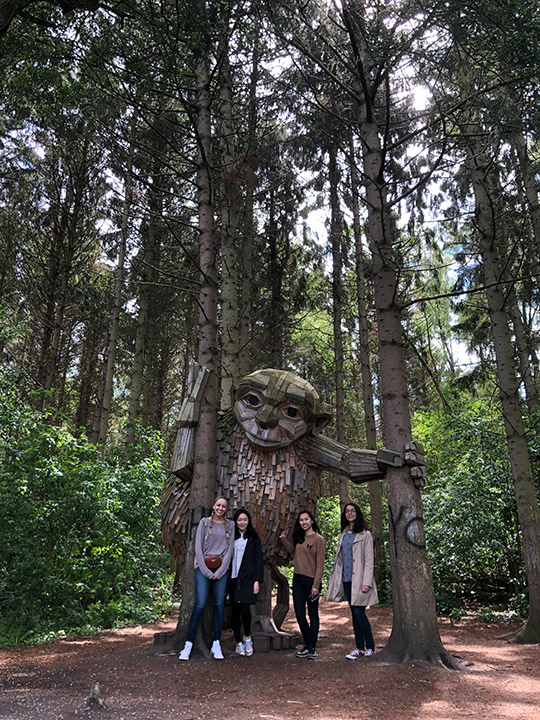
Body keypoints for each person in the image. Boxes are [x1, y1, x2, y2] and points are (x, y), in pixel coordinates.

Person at [178, 497, 235, 661]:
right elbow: (198, 549)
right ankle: (188, 643)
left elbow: (229, 550)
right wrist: (207, 572)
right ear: (213, 506)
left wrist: (221, 571)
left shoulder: (230, 526)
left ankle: (216, 642)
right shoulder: (204, 523)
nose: (220, 508)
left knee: (218, 604)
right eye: (218, 505)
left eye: (224, 506)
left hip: (221, 569)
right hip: (203, 568)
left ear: (226, 509)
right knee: (200, 604)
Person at [326, 502, 378, 659]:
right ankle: (359, 648)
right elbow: (340, 559)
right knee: (354, 614)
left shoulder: (365, 535)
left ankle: (370, 647)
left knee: (359, 612)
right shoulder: (343, 534)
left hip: (360, 580)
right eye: (347, 511)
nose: (350, 513)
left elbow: (369, 560)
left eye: (352, 511)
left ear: (358, 513)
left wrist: (367, 582)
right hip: (346, 579)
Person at [279, 510, 325, 659]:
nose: (304, 522)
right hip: (298, 579)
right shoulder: (299, 537)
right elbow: (294, 552)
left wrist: (316, 585)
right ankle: (309, 644)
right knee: (299, 614)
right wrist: (283, 539)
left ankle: (311, 647)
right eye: (301, 520)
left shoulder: (318, 539)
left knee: (313, 614)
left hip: (312, 580)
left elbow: (320, 565)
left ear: (311, 520)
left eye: (306, 519)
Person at [229, 508, 264, 656]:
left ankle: (247, 636)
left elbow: (258, 561)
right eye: (239, 520)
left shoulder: (254, 538)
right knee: (234, 610)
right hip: (232, 578)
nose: (242, 522)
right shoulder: (230, 536)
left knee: (245, 608)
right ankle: (238, 642)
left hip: (247, 579)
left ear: (248, 521)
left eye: (245, 519)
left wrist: (257, 581)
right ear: (235, 521)